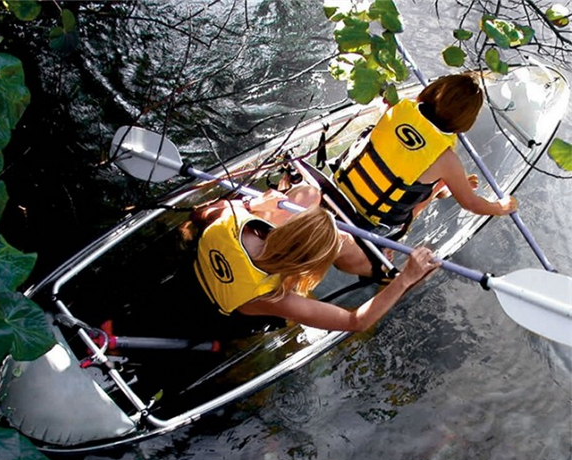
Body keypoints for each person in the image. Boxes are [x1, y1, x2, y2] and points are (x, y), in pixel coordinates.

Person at [192, 190, 439, 333]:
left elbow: (199, 213)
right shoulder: (275, 298)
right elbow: (356, 322)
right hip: (227, 319)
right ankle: (380, 271)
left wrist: (252, 203)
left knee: (308, 193)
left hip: (201, 268)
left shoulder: (233, 219)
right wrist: (405, 278)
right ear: (308, 266)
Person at [333, 73, 518, 239]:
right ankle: (446, 187)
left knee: (416, 171)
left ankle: (445, 186)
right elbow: (471, 204)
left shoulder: (398, 107)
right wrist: (500, 207)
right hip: (372, 223)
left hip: (339, 188)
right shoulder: (447, 160)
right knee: (437, 179)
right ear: (466, 119)